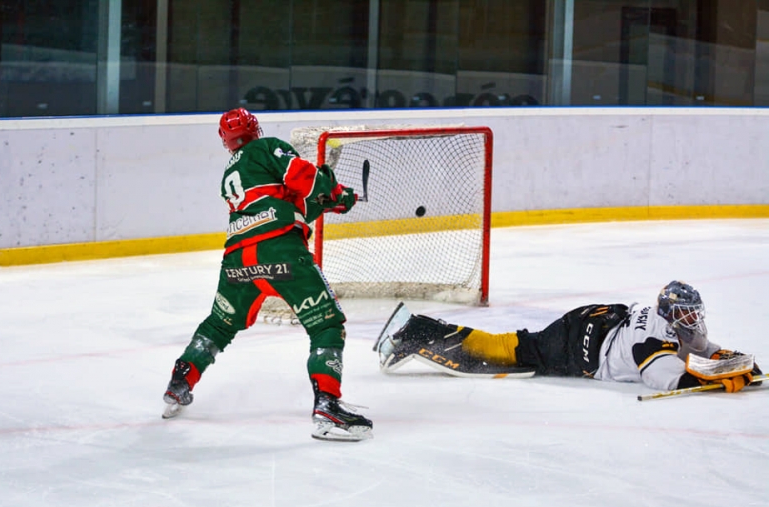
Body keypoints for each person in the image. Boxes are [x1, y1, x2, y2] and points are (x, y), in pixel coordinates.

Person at [162, 108, 372, 441]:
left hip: (238, 261)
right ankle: (327, 404)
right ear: (255, 129)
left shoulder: (231, 173)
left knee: (219, 325)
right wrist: (332, 189)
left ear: (226, 141)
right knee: (326, 325)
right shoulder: (266, 147)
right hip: (280, 251)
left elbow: (286, 204)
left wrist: (332, 201)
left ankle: (178, 383)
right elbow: (303, 177)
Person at [375, 280, 762, 392]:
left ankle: (419, 328)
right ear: (669, 313)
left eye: (694, 313)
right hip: (577, 344)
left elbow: (705, 350)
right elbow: (665, 378)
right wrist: (711, 380)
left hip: (595, 323)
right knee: (508, 350)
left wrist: (734, 361)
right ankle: (417, 331)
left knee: (515, 344)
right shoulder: (653, 338)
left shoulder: (665, 321)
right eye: (685, 313)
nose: (691, 319)